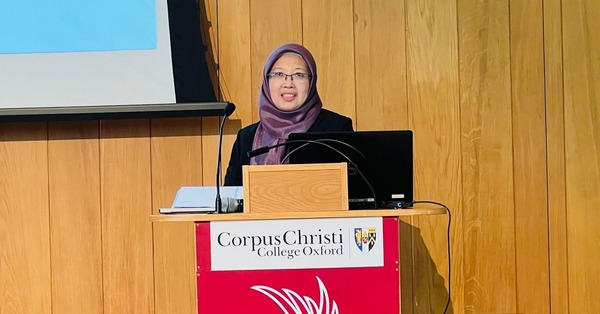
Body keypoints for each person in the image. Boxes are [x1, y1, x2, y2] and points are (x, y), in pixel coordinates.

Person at [224, 43, 353, 186]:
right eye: (278, 74)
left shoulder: (337, 128)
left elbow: (354, 190)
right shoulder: (246, 138)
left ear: (311, 82)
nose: (288, 83)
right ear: (266, 82)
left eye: (299, 75)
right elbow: (231, 198)